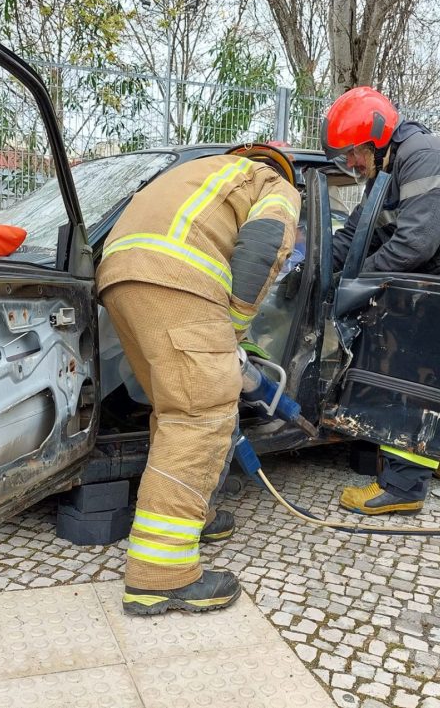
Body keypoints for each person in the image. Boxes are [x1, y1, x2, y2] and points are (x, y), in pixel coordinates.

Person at [96, 144, 300, 615]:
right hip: (176, 278)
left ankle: (194, 516)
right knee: (200, 414)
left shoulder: (201, 174)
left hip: (120, 277)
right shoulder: (273, 184)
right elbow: (268, 240)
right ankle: (161, 576)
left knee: (174, 411)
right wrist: (234, 326)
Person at [320, 86, 440, 516]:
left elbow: (414, 246)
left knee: (413, 379)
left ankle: (403, 487)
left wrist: (354, 279)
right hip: (435, 284)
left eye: (353, 153)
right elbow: (355, 234)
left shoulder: (424, 156)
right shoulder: (387, 169)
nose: (350, 163)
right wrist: (312, 266)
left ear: (376, 137)